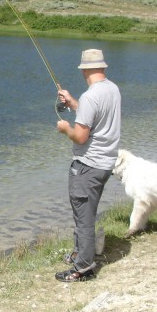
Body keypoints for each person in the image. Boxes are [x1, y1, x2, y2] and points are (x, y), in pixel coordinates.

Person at [55, 49, 121, 282]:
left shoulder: (91, 97)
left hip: (87, 165)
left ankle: (83, 267)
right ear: (103, 67)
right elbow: (96, 116)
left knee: (83, 216)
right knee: (86, 212)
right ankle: (78, 253)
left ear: (83, 69)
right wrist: (74, 103)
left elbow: (80, 137)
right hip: (105, 163)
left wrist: (65, 130)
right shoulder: (112, 89)